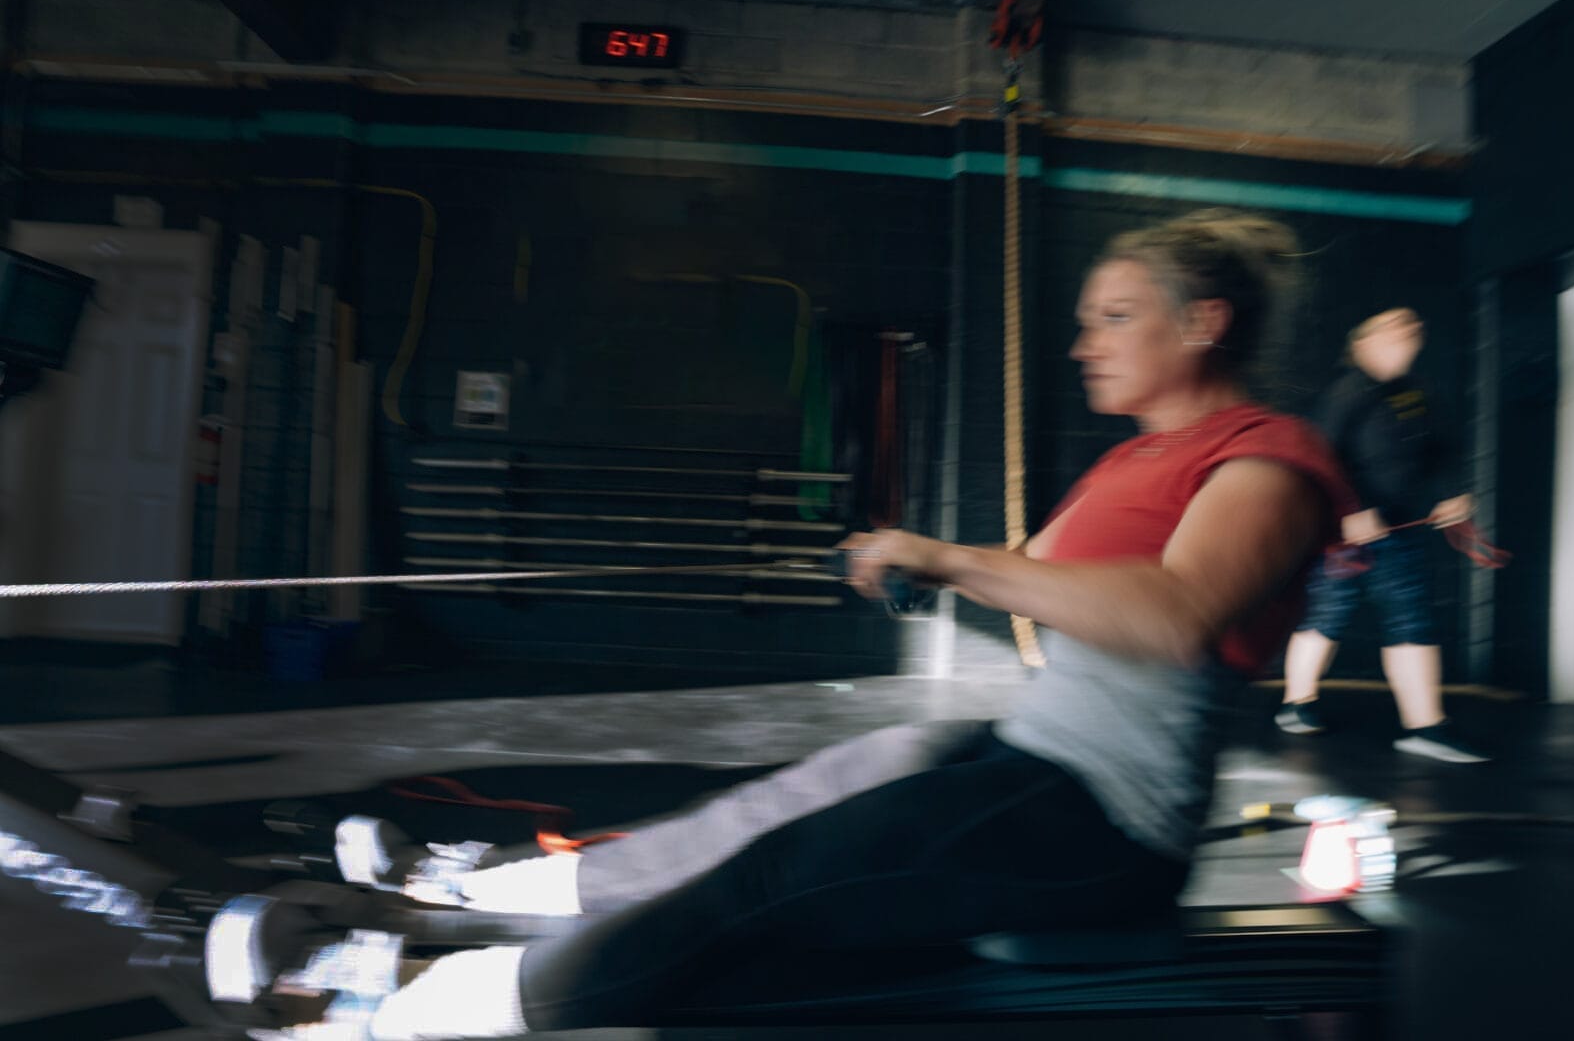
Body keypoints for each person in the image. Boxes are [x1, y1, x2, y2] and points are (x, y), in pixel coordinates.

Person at [257, 209, 1358, 1040]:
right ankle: (472, 888)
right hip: (1026, 753)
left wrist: (948, 558)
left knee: (773, 882)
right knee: (753, 817)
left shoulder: (1273, 458)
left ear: (1204, 324)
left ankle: (390, 1010)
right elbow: (1050, 592)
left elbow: (1170, 618)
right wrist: (918, 567)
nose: (1085, 344)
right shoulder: (1134, 456)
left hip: (1102, 818)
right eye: (1085, 322)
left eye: (1115, 318)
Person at [1275, 307, 1489, 762]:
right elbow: (1318, 459)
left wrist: (1452, 495)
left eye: (1412, 326)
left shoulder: (1418, 392)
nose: (1408, 330)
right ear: (1363, 343)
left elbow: (1443, 451)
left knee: (1411, 616)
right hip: (1344, 532)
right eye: (1393, 326)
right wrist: (1350, 511)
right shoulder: (1347, 392)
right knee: (1329, 613)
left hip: (1397, 527)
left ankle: (1426, 726)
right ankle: (1297, 704)